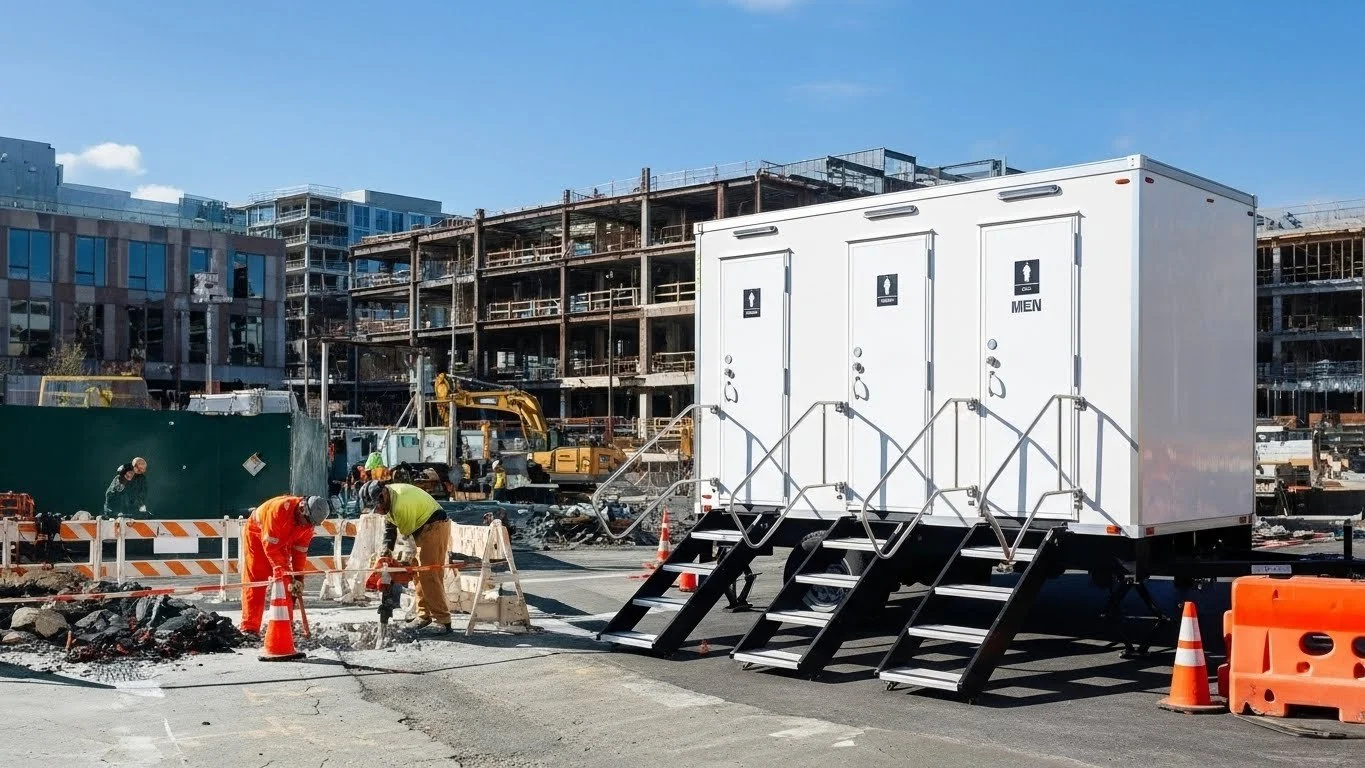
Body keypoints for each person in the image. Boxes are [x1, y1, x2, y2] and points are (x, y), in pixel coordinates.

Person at [358, 480, 451, 634]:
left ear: (383, 496)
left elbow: (408, 544)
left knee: (429, 575)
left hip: (434, 526)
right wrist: (386, 551)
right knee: (418, 575)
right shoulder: (390, 500)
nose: (379, 511)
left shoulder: (401, 505)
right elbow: (390, 528)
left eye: (378, 508)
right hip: (421, 527)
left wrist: (399, 566)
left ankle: (442, 620)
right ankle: (423, 615)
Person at [239, 495, 331, 635]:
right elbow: (272, 548)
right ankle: (249, 627)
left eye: (311, 524)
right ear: (301, 509)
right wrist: (284, 572)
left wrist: (298, 578)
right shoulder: (278, 510)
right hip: (257, 533)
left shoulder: (307, 524)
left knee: (288, 583)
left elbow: (300, 552)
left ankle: (285, 624)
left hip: (281, 537)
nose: (307, 526)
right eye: (307, 522)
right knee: (257, 578)